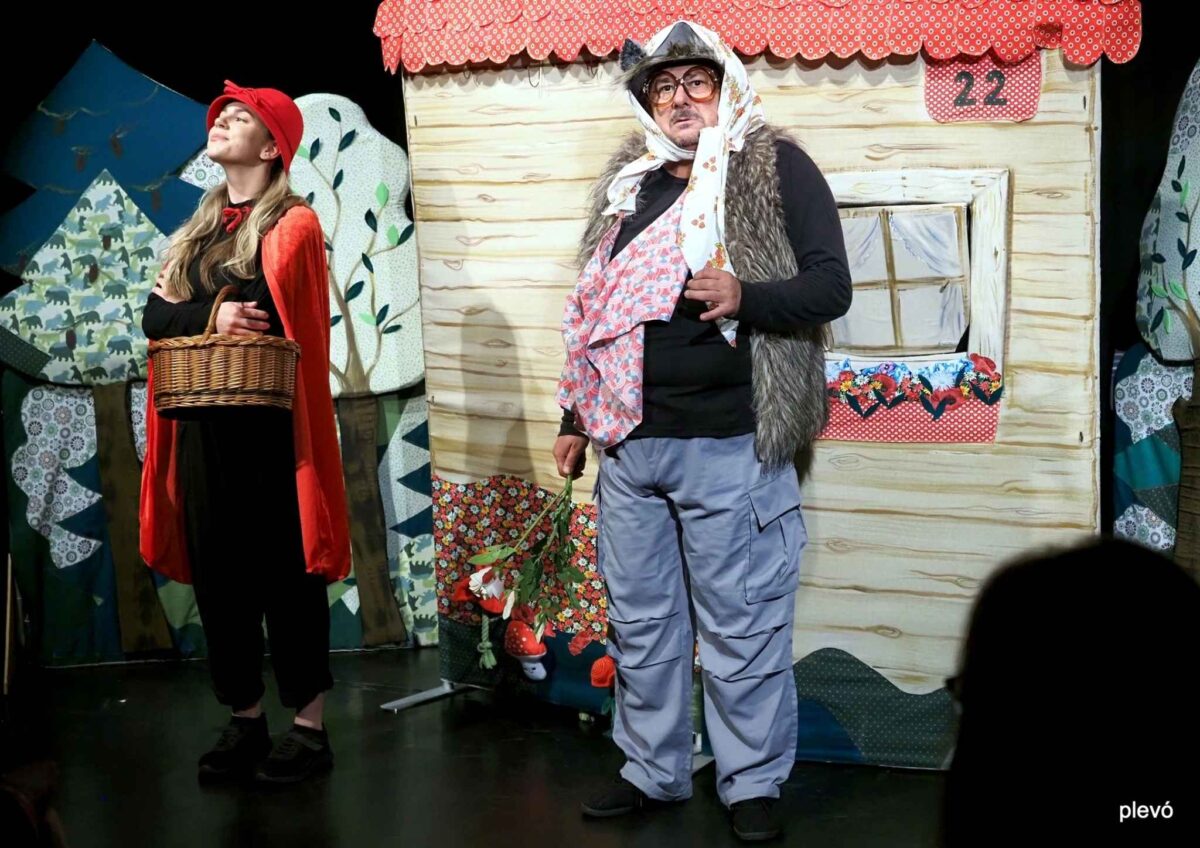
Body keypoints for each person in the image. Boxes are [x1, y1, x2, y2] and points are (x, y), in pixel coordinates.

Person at [554, 21, 851, 842]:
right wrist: (575, 417)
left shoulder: (772, 165)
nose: (680, 99)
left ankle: (750, 781)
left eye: (696, 82)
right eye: (663, 86)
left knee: (741, 623)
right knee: (642, 625)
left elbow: (831, 286)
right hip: (629, 445)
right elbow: (596, 312)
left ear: (726, 86)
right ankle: (652, 770)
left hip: (730, 440)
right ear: (647, 103)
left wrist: (746, 296)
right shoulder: (629, 183)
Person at [139, 81, 350, 785]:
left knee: (286, 576)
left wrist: (197, 308)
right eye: (222, 115)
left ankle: (309, 729)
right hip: (203, 426)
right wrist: (210, 316)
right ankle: (246, 717)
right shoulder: (199, 229)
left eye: (242, 117)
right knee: (221, 580)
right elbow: (153, 317)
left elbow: (264, 309)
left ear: (269, 148)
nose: (224, 120)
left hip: (270, 429)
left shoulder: (293, 223)